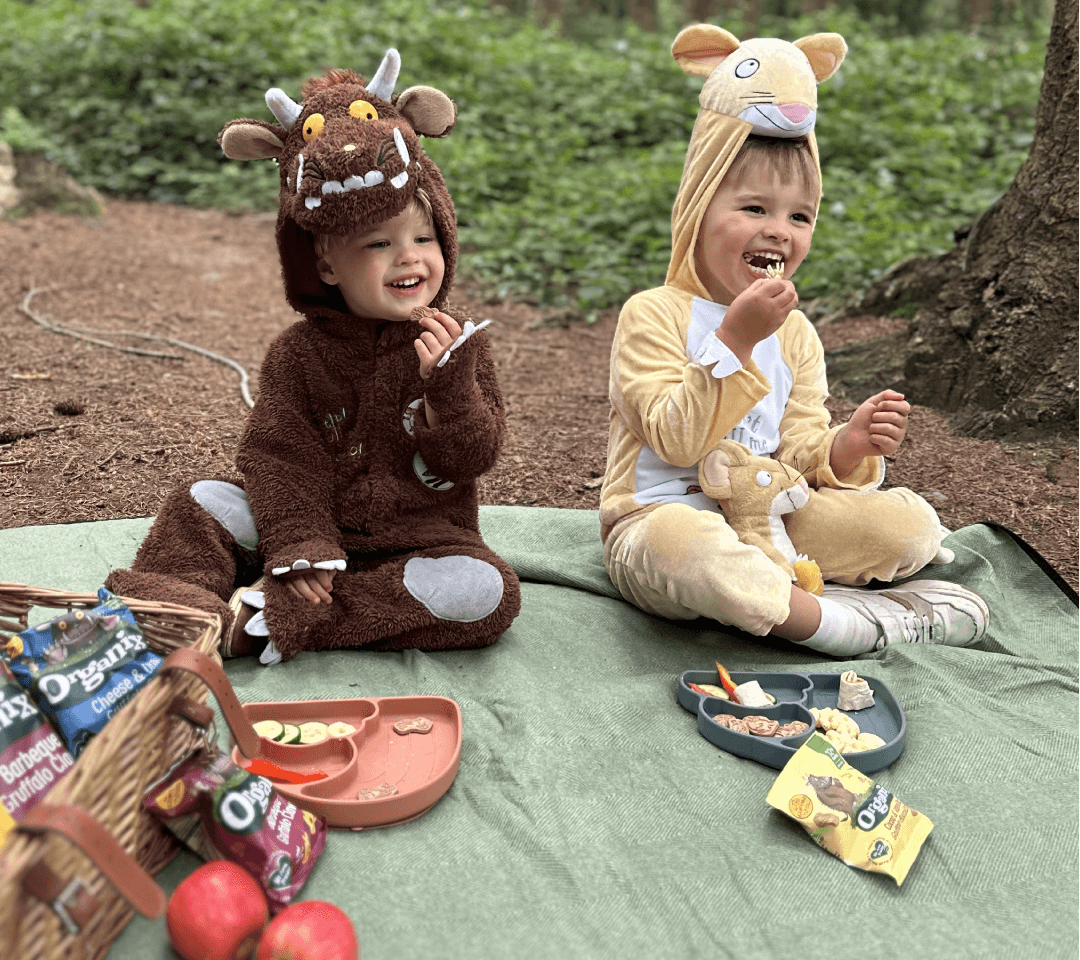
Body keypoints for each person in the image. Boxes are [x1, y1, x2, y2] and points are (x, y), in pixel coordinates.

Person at [106, 57, 520, 663]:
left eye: (422, 239)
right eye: (378, 244)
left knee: (485, 594)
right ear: (325, 266)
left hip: (417, 544)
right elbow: (279, 455)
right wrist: (300, 543)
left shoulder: (458, 345)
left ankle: (274, 618)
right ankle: (173, 608)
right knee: (202, 500)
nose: (408, 258)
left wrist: (446, 392)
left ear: (446, 240)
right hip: (303, 525)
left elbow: (472, 458)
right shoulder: (298, 356)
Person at [601, 128, 990, 658]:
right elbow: (677, 441)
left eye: (799, 217)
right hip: (655, 522)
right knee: (687, 546)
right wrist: (735, 340)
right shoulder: (652, 313)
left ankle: (785, 592)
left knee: (908, 526)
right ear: (696, 212)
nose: (779, 231)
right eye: (756, 208)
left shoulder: (796, 332)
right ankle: (839, 624)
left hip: (770, 519)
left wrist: (848, 445)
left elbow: (795, 450)